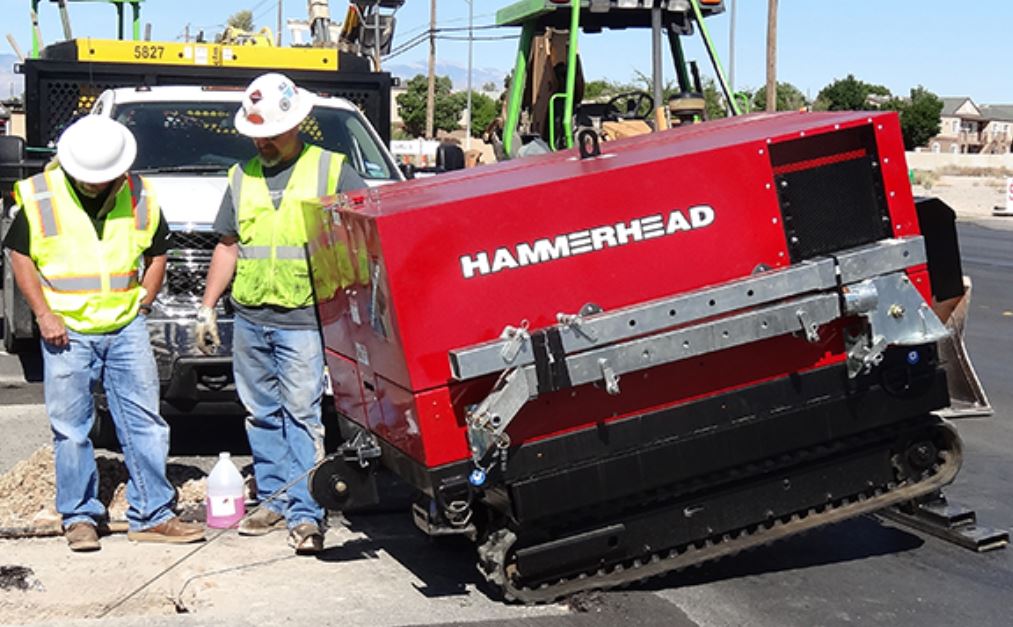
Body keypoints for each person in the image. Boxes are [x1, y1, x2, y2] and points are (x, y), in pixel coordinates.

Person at [2, 115, 205, 551]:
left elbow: (157, 253)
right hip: (66, 328)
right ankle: (79, 517)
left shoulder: (140, 194)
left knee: (144, 422)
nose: (95, 184)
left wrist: (144, 301)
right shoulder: (41, 194)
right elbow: (20, 256)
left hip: (125, 325)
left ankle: (152, 514)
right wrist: (43, 314)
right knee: (72, 428)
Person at [196, 72, 365, 555]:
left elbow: (357, 242)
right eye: (256, 134)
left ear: (297, 123)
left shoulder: (331, 171)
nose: (263, 141)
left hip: (304, 319)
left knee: (302, 414)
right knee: (261, 414)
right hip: (251, 315)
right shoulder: (241, 175)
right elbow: (228, 245)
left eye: (270, 132)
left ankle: (306, 513)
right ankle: (274, 496)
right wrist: (207, 308)